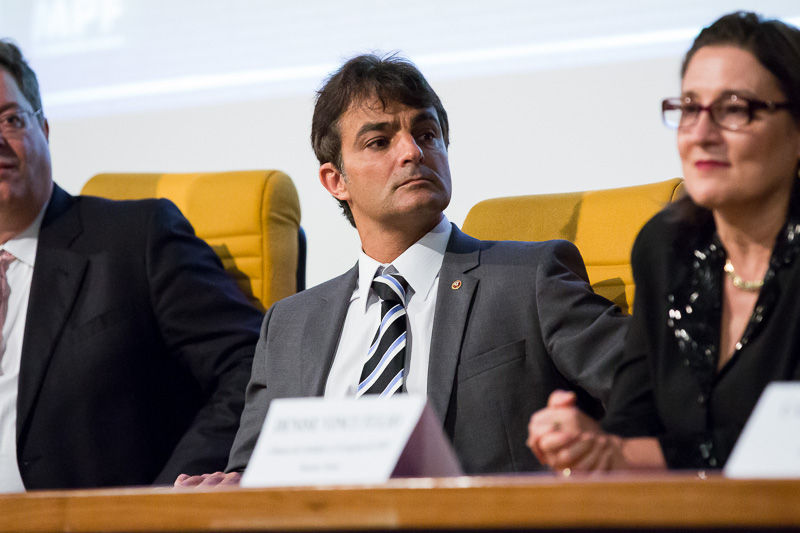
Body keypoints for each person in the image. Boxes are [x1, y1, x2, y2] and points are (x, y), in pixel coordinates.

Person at [175, 53, 628, 487]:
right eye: (379, 142)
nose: (413, 151)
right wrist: (226, 486)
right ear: (336, 181)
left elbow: (648, 390)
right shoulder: (289, 325)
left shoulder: (528, 278)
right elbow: (251, 473)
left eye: (427, 134)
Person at [527, 11, 800, 472]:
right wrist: (589, 442)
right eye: (690, 109)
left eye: (734, 109)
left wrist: (630, 455)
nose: (701, 134)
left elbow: (785, 443)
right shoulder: (668, 247)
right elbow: (633, 420)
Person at [0, 40, 264, 491]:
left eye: (10, 120)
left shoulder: (135, 238)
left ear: (43, 127)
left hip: (102, 517)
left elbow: (252, 369)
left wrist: (159, 500)